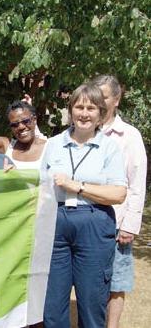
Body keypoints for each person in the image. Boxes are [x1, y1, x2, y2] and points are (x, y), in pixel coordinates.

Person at [41, 83, 127, 328]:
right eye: (79, 106)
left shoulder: (109, 147)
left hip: (94, 223)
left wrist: (77, 186)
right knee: (53, 304)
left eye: (91, 108)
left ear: (101, 113)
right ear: (71, 110)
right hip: (56, 224)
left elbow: (118, 193)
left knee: (91, 302)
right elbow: (39, 187)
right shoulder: (54, 144)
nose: (84, 113)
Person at [90, 75, 147, 328]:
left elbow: (137, 182)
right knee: (89, 281)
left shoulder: (129, 136)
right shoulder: (84, 129)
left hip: (117, 220)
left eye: (103, 97)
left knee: (117, 283)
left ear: (116, 99)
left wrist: (130, 225)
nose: (98, 103)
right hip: (87, 220)